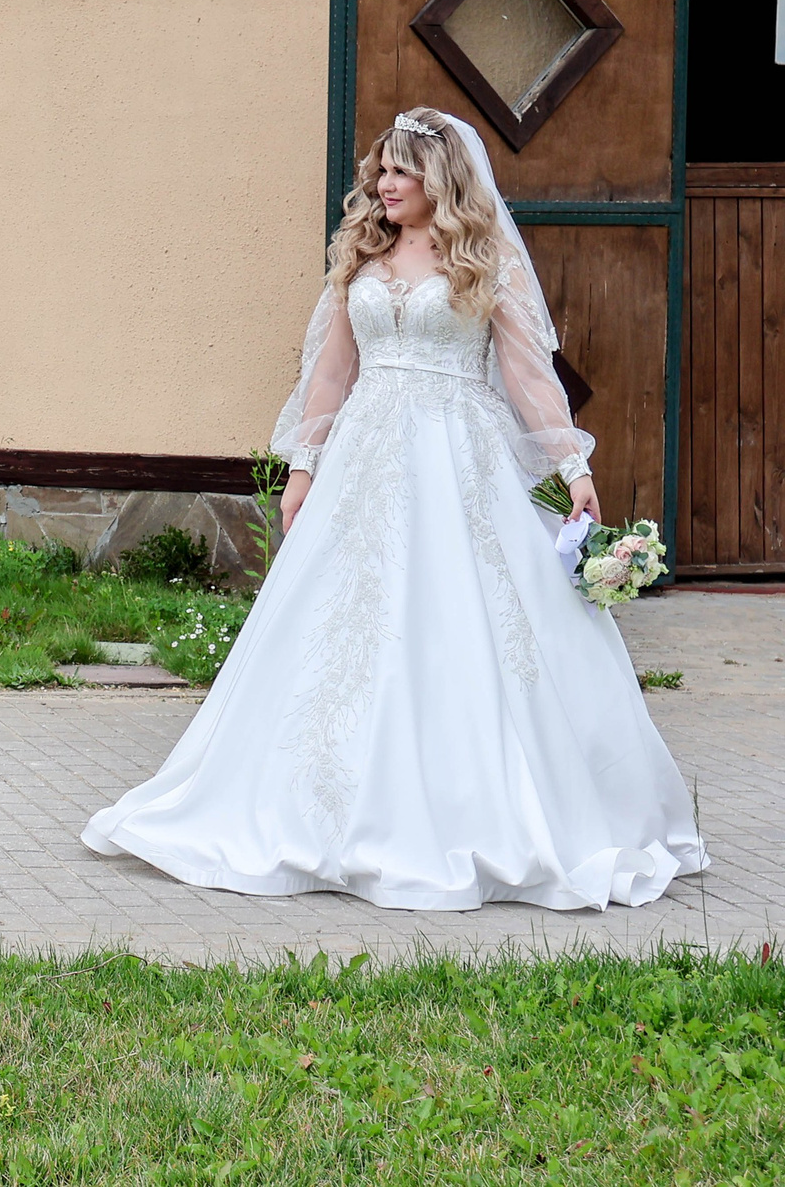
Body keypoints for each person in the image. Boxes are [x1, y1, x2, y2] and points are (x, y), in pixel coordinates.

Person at [82, 107, 707, 911]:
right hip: (367, 462)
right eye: (380, 172)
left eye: (399, 173)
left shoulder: (484, 262)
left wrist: (570, 464)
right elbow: (332, 374)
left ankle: (485, 805)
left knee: (468, 625)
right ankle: (317, 805)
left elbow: (524, 374)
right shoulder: (362, 255)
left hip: (462, 461)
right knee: (342, 625)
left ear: (438, 181)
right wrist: (303, 467)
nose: (382, 185)